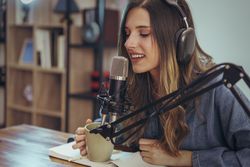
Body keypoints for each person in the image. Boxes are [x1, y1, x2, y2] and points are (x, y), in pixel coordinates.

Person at [73, 0, 250, 166]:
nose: (129, 43)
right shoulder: (133, 87)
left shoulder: (218, 89)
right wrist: (92, 136)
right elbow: (118, 129)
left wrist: (188, 159)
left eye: (144, 33)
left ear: (180, 40)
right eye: (127, 34)